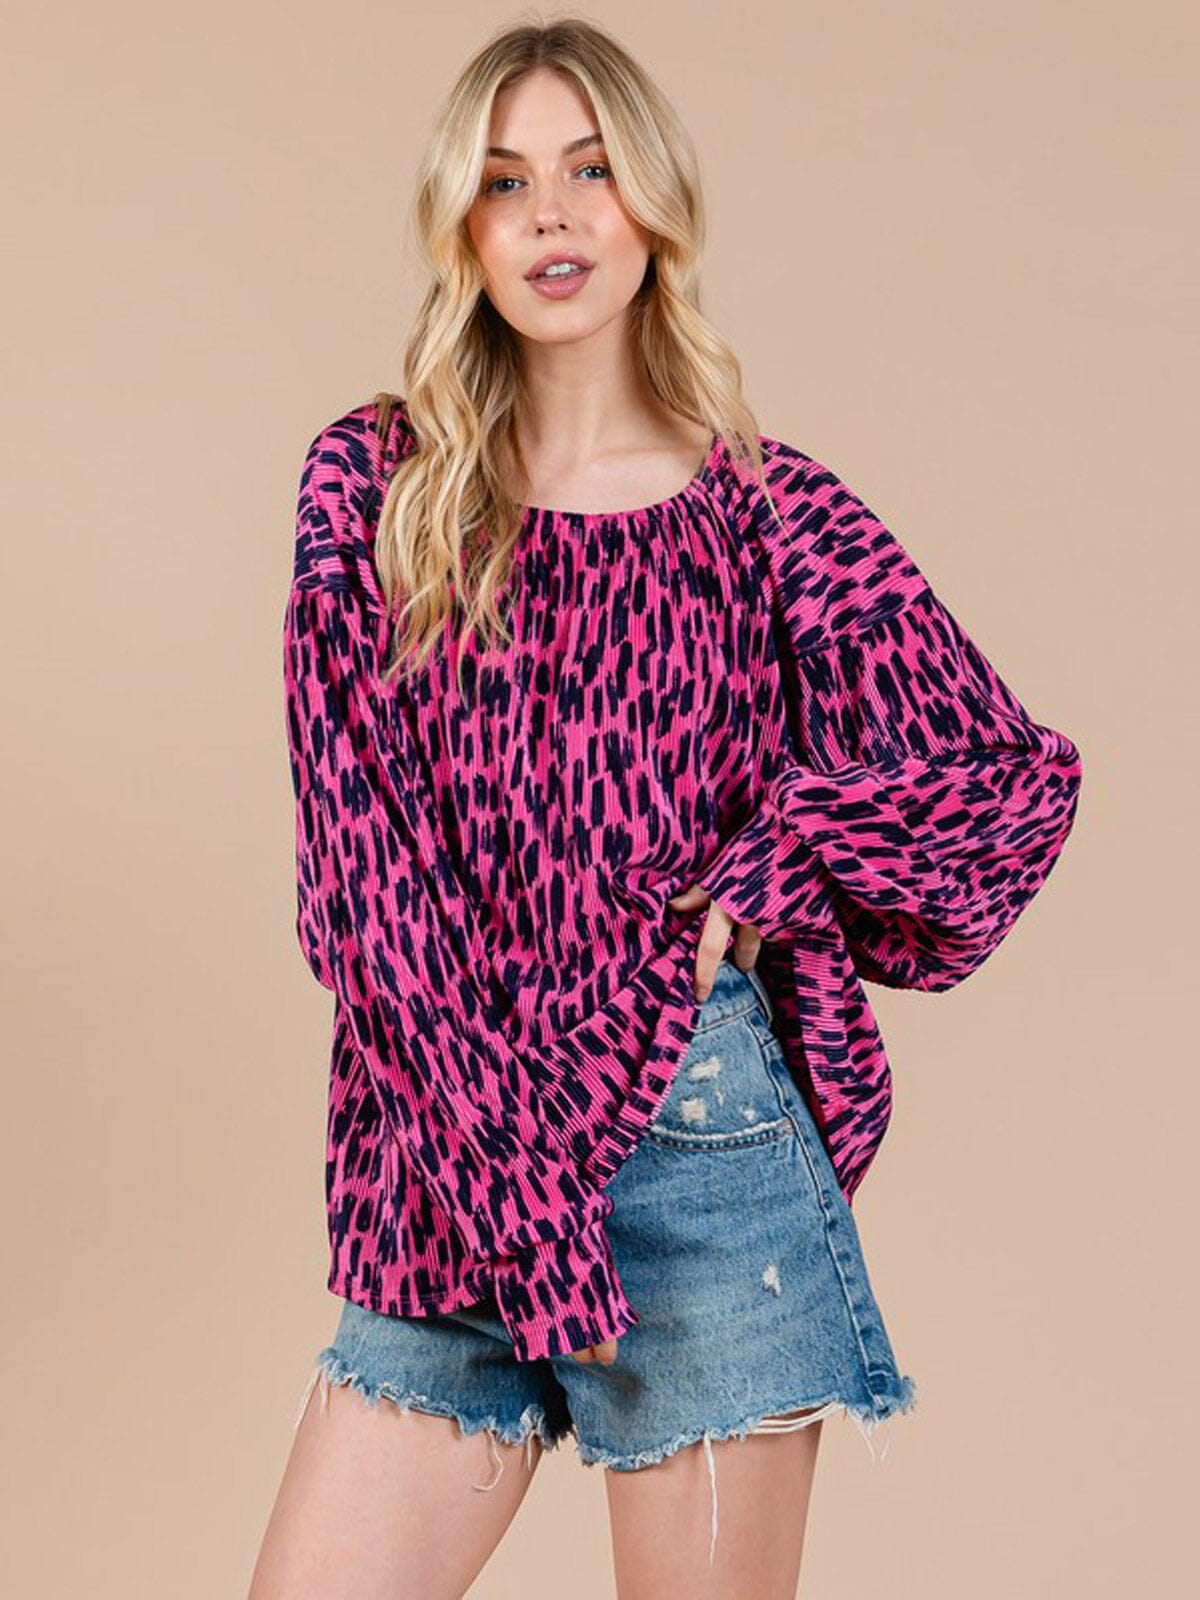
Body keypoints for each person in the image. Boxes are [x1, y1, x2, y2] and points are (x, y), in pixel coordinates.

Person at [249, 18, 1083, 1598]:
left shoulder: (768, 514)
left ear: (655, 202)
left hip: (696, 1146)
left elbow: (1005, 781)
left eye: (591, 170)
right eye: (506, 181)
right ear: (461, 224)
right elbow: (359, 882)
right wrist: (512, 1189)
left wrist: (777, 865)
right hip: (450, 1156)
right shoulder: (374, 486)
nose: (552, 216)